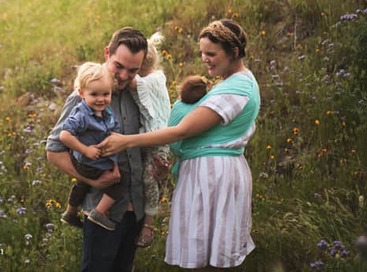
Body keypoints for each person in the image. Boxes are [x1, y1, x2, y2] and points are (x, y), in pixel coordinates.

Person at [99, 19, 260, 270]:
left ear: (234, 52)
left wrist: (126, 141)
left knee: (212, 255)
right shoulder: (230, 83)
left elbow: (181, 131)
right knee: (203, 251)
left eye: (211, 53)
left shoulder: (238, 88)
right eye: (202, 53)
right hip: (205, 174)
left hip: (215, 177)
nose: (205, 59)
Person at [46, 27, 148, 272]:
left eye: (133, 70)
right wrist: (91, 180)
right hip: (102, 212)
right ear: (106, 54)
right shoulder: (84, 97)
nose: (124, 76)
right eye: (118, 66)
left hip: (135, 209)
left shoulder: (139, 95)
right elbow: (54, 150)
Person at [60, 62, 126, 231]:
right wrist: (85, 150)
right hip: (88, 161)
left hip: (89, 162)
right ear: (81, 93)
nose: (101, 99)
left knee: (82, 184)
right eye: (94, 94)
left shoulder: (107, 111)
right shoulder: (81, 114)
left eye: (106, 94)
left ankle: (70, 212)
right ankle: (99, 212)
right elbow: (64, 135)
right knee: (121, 182)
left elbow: (114, 130)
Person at [128, 32, 171, 248]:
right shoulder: (149, 76)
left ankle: (150, 222)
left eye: (133, 68)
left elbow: (132, 82)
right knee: (145, 174)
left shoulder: (153, 79)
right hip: (148, 136)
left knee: (150, 177)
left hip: (158, 137)